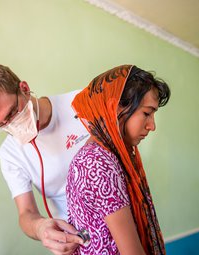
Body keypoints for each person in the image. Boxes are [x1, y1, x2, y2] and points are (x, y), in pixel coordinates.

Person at [0, 63, 90, 255]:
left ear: (24, 88)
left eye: (12, 112)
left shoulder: (82, 103)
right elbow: (26, 213)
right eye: (1, 125)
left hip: (122, 215)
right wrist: (40, 228)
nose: (12, 125)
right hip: (77, 237)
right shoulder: (10, 155)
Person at [66, 65, 170, 254]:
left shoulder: (100, 156)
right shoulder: (96, 163)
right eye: (147, 113)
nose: (152, 125)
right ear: (115, 107)